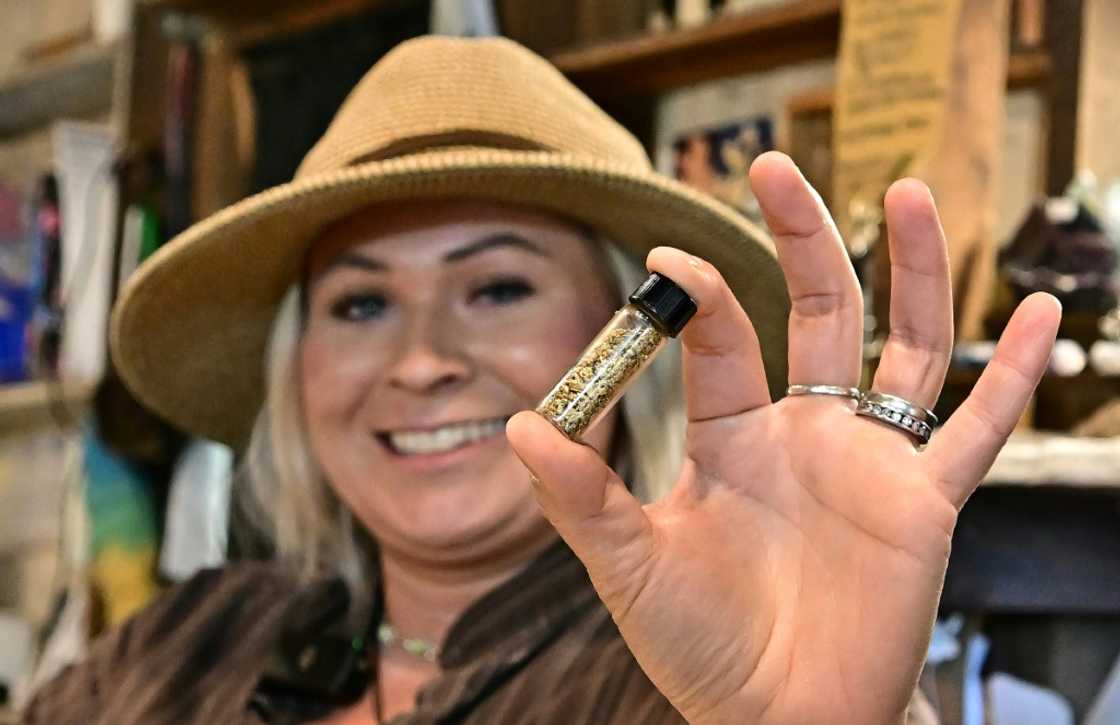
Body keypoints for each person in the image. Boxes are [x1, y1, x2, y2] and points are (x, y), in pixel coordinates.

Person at [24, 36, 1058, 724]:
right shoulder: (184, 644)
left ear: (637, 345)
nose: (421, 360)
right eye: (362, 304)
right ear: (295, 369)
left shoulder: (701, 677)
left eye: (498, 288)